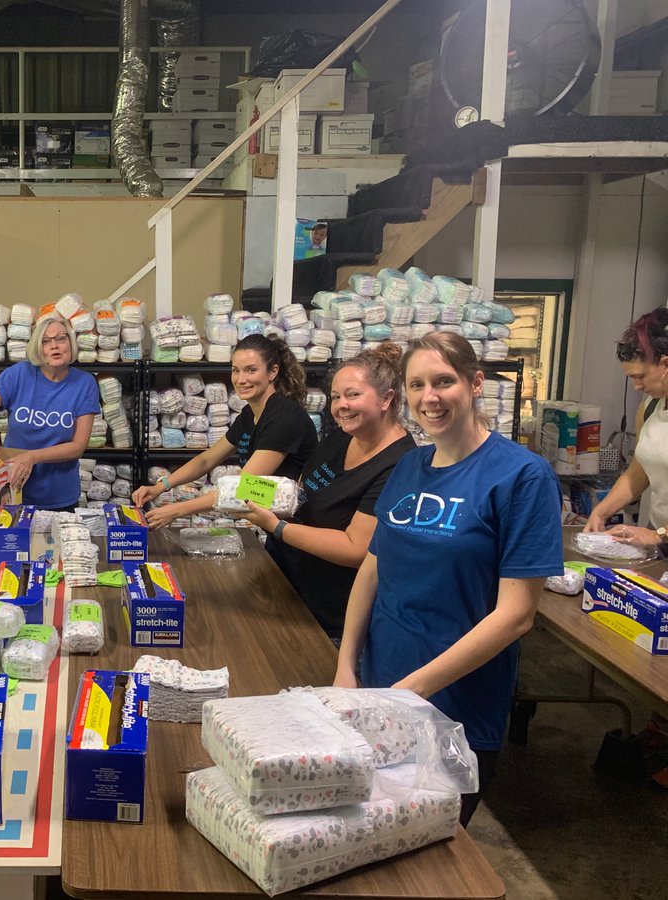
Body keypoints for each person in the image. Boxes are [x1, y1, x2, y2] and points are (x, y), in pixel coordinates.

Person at [335, 333, 562, 826]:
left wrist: (407, 693)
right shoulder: (410, 465)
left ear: (476, 382)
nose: (429, 397)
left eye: (444, 381)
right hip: (379, 685)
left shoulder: (523, 476)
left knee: (428, 863)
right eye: (417, 385)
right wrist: (347, 667)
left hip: (455, 708)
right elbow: (374, 568)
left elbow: (516, 615)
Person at [235, 343, 415, 640]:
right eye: (335, 396)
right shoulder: (343, 436)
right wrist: (244, 492)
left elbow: (355, 548)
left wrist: (275, 526)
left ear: (387, 398)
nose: (340, 405)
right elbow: (299, 492)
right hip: (289, 586)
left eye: (353, 395)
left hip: (332, 617)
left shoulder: (400, 464)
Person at [132, 333, 318, 528]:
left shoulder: (284, 418)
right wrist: (160, 487)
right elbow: (207, 459)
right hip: (279, 523)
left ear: (272, 372)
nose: (241, 379)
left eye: (251, 370)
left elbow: (243, 487)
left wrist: (176, 510)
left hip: (303, 527)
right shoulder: (250, 414)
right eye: (236, 371)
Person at [0, 313, 100, 512]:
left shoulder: (84, 383)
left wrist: (32, 457)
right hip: (13, 491)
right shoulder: (19, 374)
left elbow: (78, 446)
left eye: (61, 338)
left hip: (59, 496)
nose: (54, 346)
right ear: (38, 347)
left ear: (70, 343)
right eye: (46, 341)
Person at [584, 308, 668, 550]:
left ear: (665, 364)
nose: (636, 386)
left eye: (640, 377)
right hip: (659, 537)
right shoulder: (651, 407)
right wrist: (602, 511)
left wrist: (659, 535)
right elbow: (639, 470)